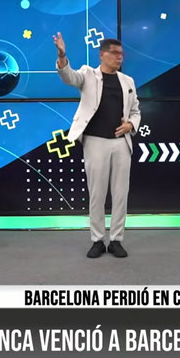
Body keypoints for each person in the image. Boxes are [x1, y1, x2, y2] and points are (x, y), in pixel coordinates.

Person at [53, 32, 141, 258]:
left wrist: (131, 124)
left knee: (120, 194)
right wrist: (62, 55)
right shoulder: (88, 74)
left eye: (121, 54)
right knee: (97, 193)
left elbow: (135, 111)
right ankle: (98, 240)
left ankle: (117, 240)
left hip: (121, 144)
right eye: (115, 53)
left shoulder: (128, 81)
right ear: (102, 55)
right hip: (95, 142)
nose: (119, 57)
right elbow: (69, 77)